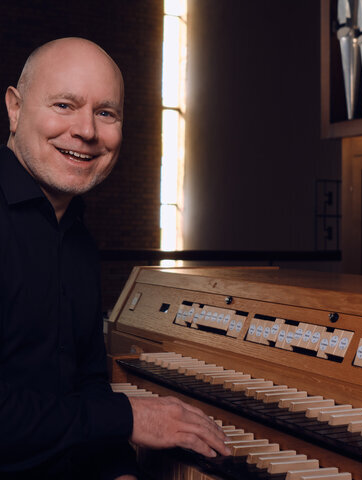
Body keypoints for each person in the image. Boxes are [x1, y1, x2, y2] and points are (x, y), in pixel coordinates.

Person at [0, 37, 230, 479]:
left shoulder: (79, 241)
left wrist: (119, 469)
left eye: (105, 113)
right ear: (14, 108)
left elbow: (84, 384)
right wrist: (130, 418)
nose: (87, 131)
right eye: (65, 105)